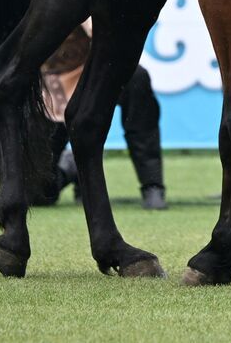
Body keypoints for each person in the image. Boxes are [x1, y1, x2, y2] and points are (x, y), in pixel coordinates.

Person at [32, 20, 168, 210]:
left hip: (98, 67)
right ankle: (71, 168)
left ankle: (152, 184)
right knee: (37, 194)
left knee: (137, 79)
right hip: (48, 81)